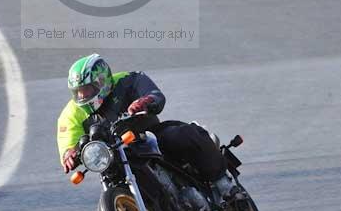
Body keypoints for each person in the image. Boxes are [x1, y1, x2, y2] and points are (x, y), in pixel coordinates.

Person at [57, 54, 234, 199]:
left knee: (181, 135)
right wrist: (69, 154)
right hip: (113, 156)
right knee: (111, 177)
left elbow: (155, 94)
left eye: (86, 90)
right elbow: (68, 140)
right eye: (78, 92)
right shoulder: (70, 115)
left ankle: (224, 184)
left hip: (150, 134)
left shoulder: (127, 80)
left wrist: (145, 101)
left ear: (101, 82)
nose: (82, 96)